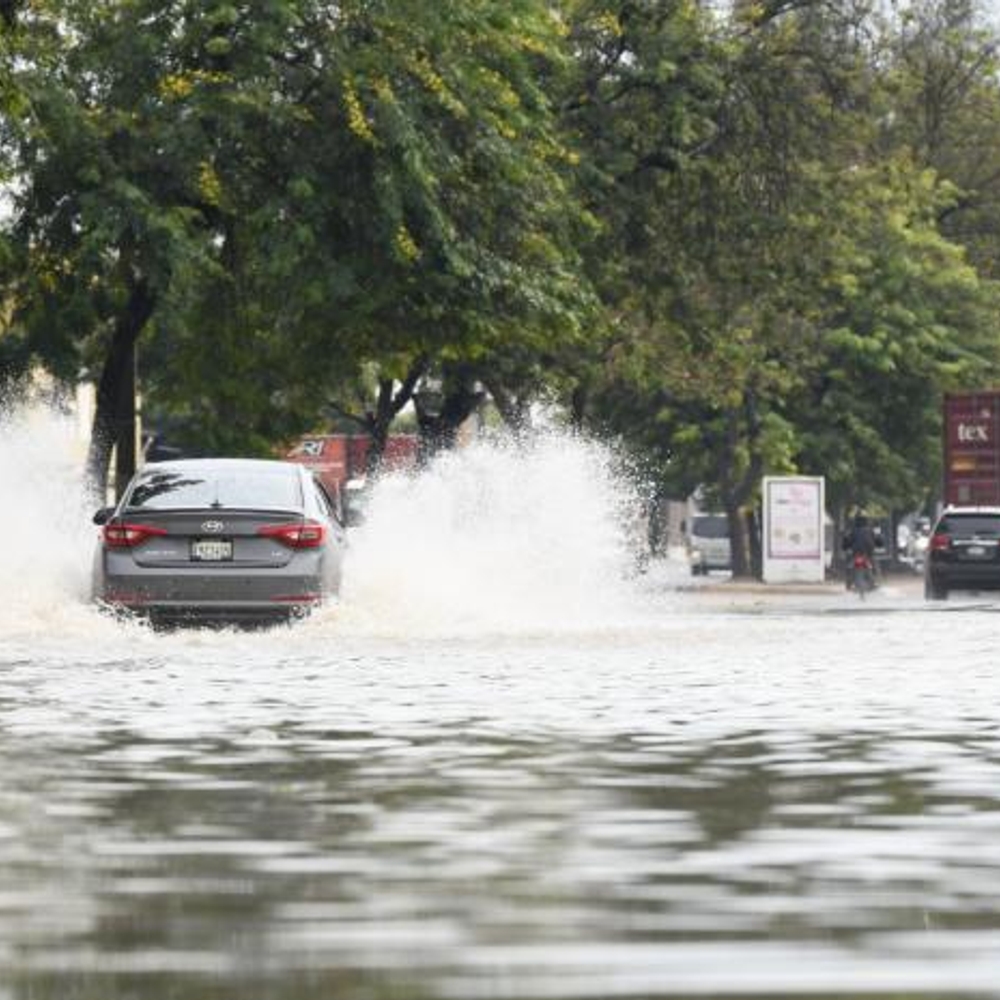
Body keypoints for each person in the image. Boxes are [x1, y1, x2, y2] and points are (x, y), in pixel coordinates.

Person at [843, 513, 877, 590]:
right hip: (867, 553)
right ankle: (874, 581)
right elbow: (876, 541)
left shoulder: (853, 531)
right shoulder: (870, 530)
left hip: (856, 553)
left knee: (849, 566)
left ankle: (848, 583)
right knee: (872, 564)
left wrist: (845, 547)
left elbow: (848, 542)